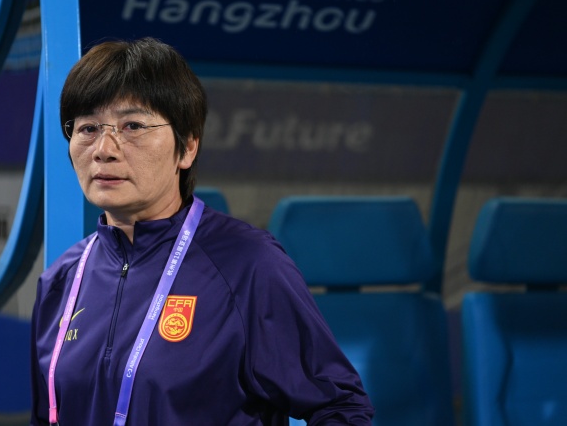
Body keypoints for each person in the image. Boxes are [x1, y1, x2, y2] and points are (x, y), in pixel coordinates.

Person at [30, 37, 374, 425]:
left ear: (187, 147)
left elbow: (341, 408)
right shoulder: (61, 281)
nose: (104, 149)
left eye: (133, 126)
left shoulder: (248, 265)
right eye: (88, 128)